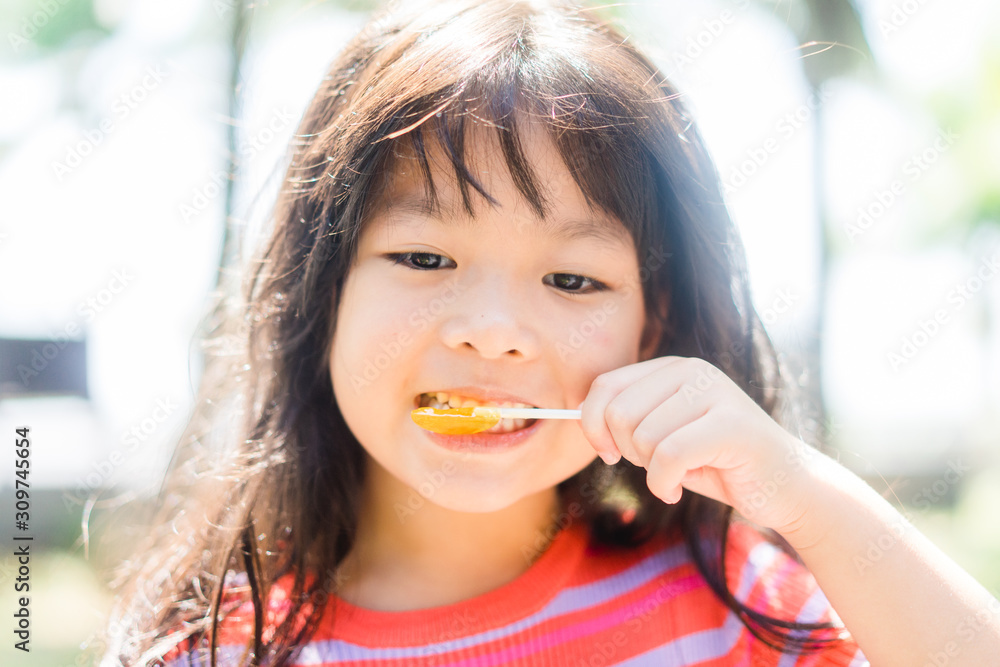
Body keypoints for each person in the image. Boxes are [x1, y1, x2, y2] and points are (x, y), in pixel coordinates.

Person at [98, 0, 1000, 664]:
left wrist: (806, 496)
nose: (494, 334)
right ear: (319, 291)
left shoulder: (729, 610)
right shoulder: (208, 652)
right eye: (423, 257)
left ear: (656, 331)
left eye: (573, 279)